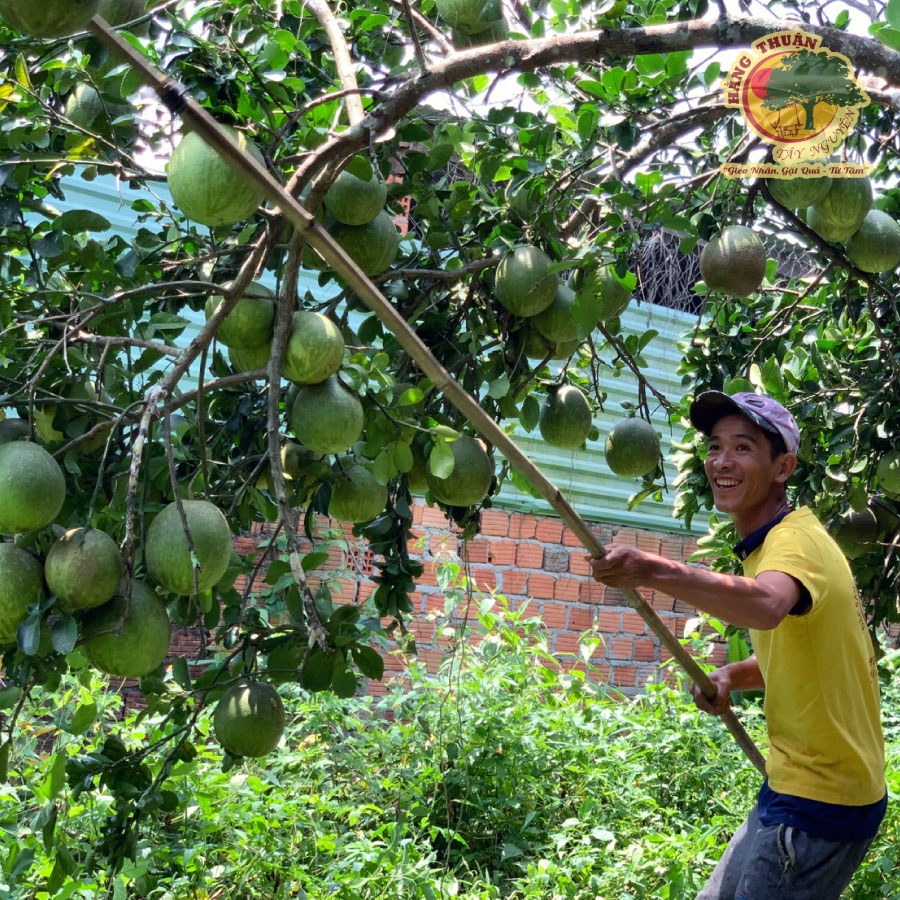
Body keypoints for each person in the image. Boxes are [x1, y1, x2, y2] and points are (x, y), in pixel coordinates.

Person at [587, 391, 886, 899]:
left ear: (782, 467)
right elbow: (806, 655)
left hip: (820, 802)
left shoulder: (794, 543)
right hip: (799, 784)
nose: (722, 461)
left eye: (743, 448)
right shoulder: (780, 540)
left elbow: (765, 606)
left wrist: (650, 569)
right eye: (715, 446)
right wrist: (731, 676)